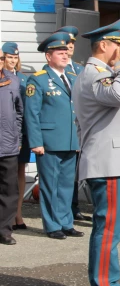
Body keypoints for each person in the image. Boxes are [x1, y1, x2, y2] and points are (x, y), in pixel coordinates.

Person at [73, 17, 120, 286]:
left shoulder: (99, 71)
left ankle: (110, 280)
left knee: (112, 227)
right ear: (103, 45)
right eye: (119, 45)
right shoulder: (94, 73)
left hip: (112, 158)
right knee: (107, 227)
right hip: (107, 161)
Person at [24, 32, 83, 240]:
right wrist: (36, 142)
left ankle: (66, 222)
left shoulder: (73, 78)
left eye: (66, 52)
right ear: (48, 57)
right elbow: (32, 114)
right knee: (50, 185)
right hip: (48, 142)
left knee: (67, 185)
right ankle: (52, 225)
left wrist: (79, 138)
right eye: (60, 53)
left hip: (70, 140)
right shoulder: (38, 80)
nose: (65, 56)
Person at [53, 26, 91, 222]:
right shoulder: (52, 72)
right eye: (66, 45)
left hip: (78, 130)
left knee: (74, 174)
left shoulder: (79, 69)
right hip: (61, 132)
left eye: (71, 44)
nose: (69, 48)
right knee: (61, 177)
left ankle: (73, 208)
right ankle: (63, 211)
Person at [2, 42, 28, 230]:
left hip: (16, 136)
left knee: (15, 179)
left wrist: (19, 135)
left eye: (15, 57)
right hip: (6, 137)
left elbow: (21, 110)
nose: (12, 61)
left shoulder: (21, 80)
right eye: (8, 57)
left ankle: (13, 221)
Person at [0, 54, 22, 245]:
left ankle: (4, 231)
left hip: (8, 145)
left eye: (0, 58)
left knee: (9, 190)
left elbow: (19, 112)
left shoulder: (12, 80)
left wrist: (18, 137)